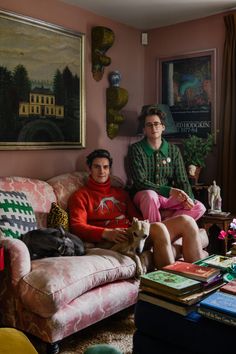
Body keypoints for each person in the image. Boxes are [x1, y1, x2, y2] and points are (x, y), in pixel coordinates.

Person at [68, 149, 205, 268]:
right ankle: (170, 286)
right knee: (158, 228)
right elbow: (77, 226)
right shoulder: (80, 196)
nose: (102, 171)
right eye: (97, 167)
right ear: (89, 168)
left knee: (187, 221)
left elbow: (137, 218)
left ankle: (201, 277)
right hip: (112, 240)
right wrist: (106, 232)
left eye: (105, 167)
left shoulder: (120, 193)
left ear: (109, 169)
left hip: (134, 234)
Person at [127, 106, 206, 223]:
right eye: (149, 125)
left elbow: (182, 180)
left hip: (166, 198)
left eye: (156, 124)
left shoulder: (173, 150)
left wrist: (188, 198)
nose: (153, 127)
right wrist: (169, 191)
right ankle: (156, 231)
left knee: (199, 207)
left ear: (163, 127)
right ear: (144, 129)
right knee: (150, 195)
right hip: (144, 196)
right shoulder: (136, 149)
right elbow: (140, 182)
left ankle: (166, 226)